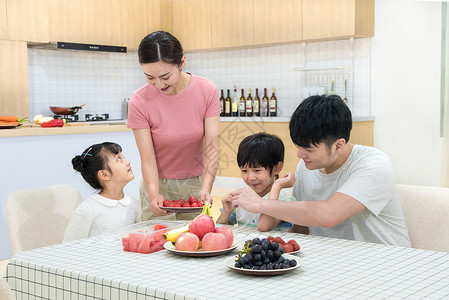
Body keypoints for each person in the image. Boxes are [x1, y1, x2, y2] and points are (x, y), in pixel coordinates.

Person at [232, 95, 411, 247]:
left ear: (338, 145)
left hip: (385, 260)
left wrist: (258, 204)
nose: (299, 154)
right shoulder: (305, 167)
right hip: (333, 258)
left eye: (308, 149)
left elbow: (329, 214)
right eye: (298, 146)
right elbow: (302, 224)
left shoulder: (373, 164)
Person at [127, 31, 220, 221]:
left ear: (182, 63)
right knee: (156, 245)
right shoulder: (139, 100)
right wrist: (154, 194)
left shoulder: (206, 90)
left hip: (196, 185)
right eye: (150, 78)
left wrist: (206, 188)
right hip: (157, 185)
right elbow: (147, 158)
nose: (159, 84)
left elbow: (212, 146)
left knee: (197, 244)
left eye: (165, 76)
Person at [63, 142, 141, 242]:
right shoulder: (87, 210)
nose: (128, 162)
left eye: (123, 156)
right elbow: (68, 247)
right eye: (118, 159)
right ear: (104, 174)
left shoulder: (133, 204)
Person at [217, 132, 295, 231]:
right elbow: (219, 232)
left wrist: (277, 185)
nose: (251, 177)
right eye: (244, 171)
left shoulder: (285, 201)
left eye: (257, 170)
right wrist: (226, 212)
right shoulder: (241, 198)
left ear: (276, 168)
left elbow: (264, 226)